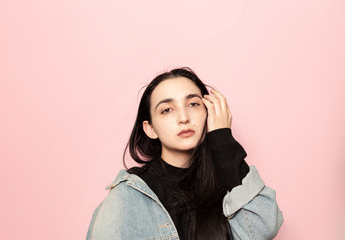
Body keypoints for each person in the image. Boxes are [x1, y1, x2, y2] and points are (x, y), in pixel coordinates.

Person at [86, 67, 283, 240]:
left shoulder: (227, 182)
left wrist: (222, 139)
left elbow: (263, 230)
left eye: (193, 104)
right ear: (150, 129)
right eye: (167, 110)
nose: (183, 117)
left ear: (209, 112)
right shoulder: (128, 195)